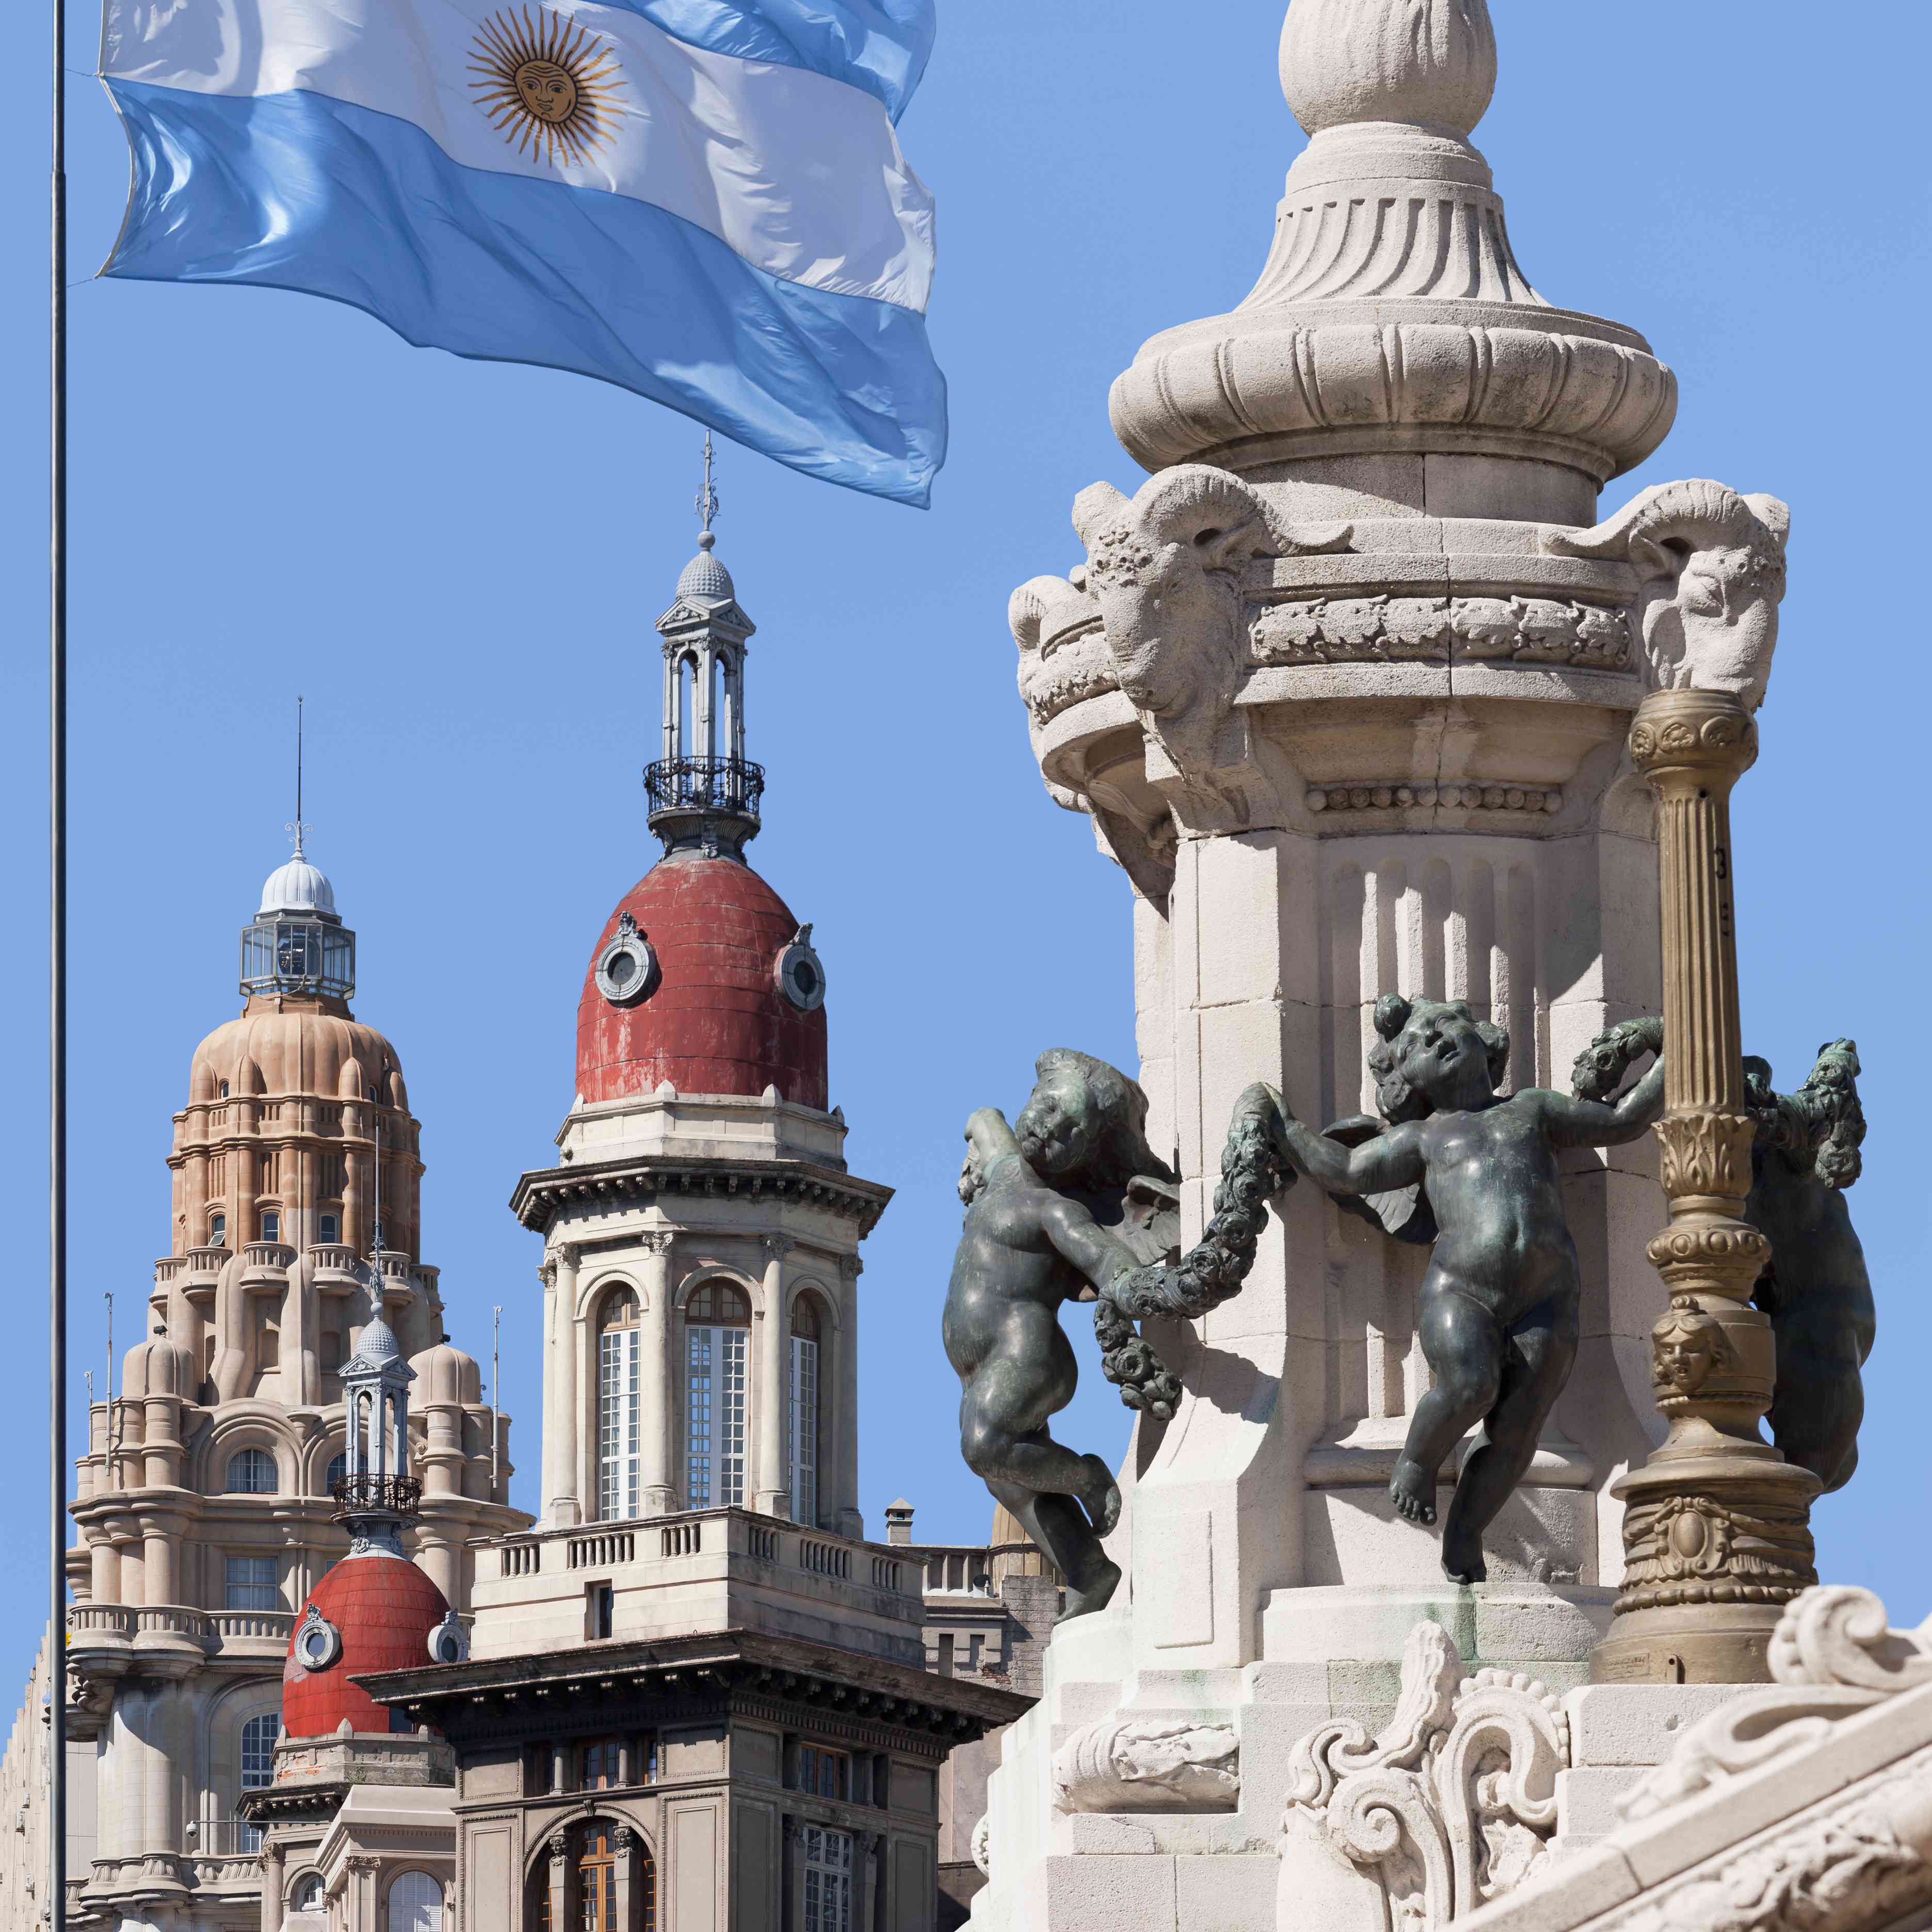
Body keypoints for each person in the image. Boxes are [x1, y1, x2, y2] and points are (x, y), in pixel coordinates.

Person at [1266, 995, 1665, 1584]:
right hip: (1461, 1293)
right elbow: (1347, 1172)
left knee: (1520, 1426)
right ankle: (1417, 1460)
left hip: (1549, 1301)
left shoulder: (1533, 1110)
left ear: (1482, 1038)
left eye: (1445, 1026)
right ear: (1410, 1083)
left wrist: (1670, 1045)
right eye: (1419, 1046)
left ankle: (1468, 1528)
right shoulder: (1427, 1138)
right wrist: (1284, 1126)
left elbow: (1623, 1120)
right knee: (1471, 1384)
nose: (1436, 1039)